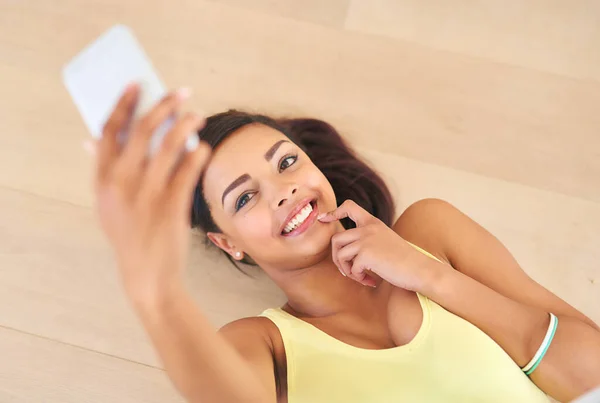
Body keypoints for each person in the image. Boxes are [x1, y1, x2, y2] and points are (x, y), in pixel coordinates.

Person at [91, 84, 600, 403]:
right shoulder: (264, 346)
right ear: (228, 243)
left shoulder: (431, 234)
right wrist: (153, 292)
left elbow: (591, 372)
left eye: (286, 162)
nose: (284, 191)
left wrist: (433, 278)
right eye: (246, 198)